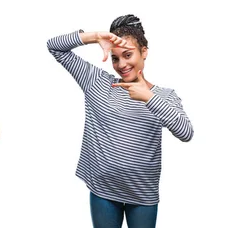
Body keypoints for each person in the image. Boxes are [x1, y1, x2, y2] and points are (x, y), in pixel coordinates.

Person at [47, 14, 194, 228]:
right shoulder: (96, 82)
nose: (121, 64)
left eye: (128, 55)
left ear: (144, 52)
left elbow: (186, 132)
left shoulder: (164, 96)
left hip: (142, 194)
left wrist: (148, 97)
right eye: (115, 58)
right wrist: (95, 36)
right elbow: (54, 47)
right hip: (103, 190)